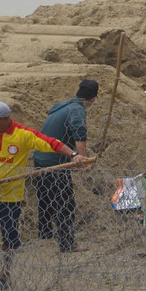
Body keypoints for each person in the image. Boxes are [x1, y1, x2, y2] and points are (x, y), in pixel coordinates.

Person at [0, 102, 89, 291]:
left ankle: (4, 276)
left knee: (9, 240)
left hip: (10, 199)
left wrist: (74, 154)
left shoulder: (23, 134)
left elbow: (52, 143)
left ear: (5, 119)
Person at [32, 78, 99, 254]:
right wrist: (82, 161)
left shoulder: (63, 105)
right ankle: (67, 243)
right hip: (54, 162)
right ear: (92, 99)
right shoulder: (77, 111)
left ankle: (45, 232)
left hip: (39, 158)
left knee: (45, 198)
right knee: (65, 203)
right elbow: (79, 134)